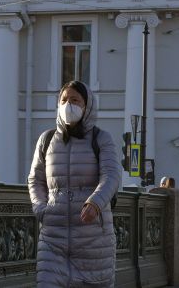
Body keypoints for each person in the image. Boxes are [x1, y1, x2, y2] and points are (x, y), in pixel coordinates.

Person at [28, 81, 121, 287]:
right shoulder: (47, 140)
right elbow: (36, 179)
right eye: (64, 100)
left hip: (92, 240)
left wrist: (95, 203)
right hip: (53, 238)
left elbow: (112, 175)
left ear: (87, 106)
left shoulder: (101, 139)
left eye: (75, 100)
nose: (68, 104)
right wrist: (42, 209)